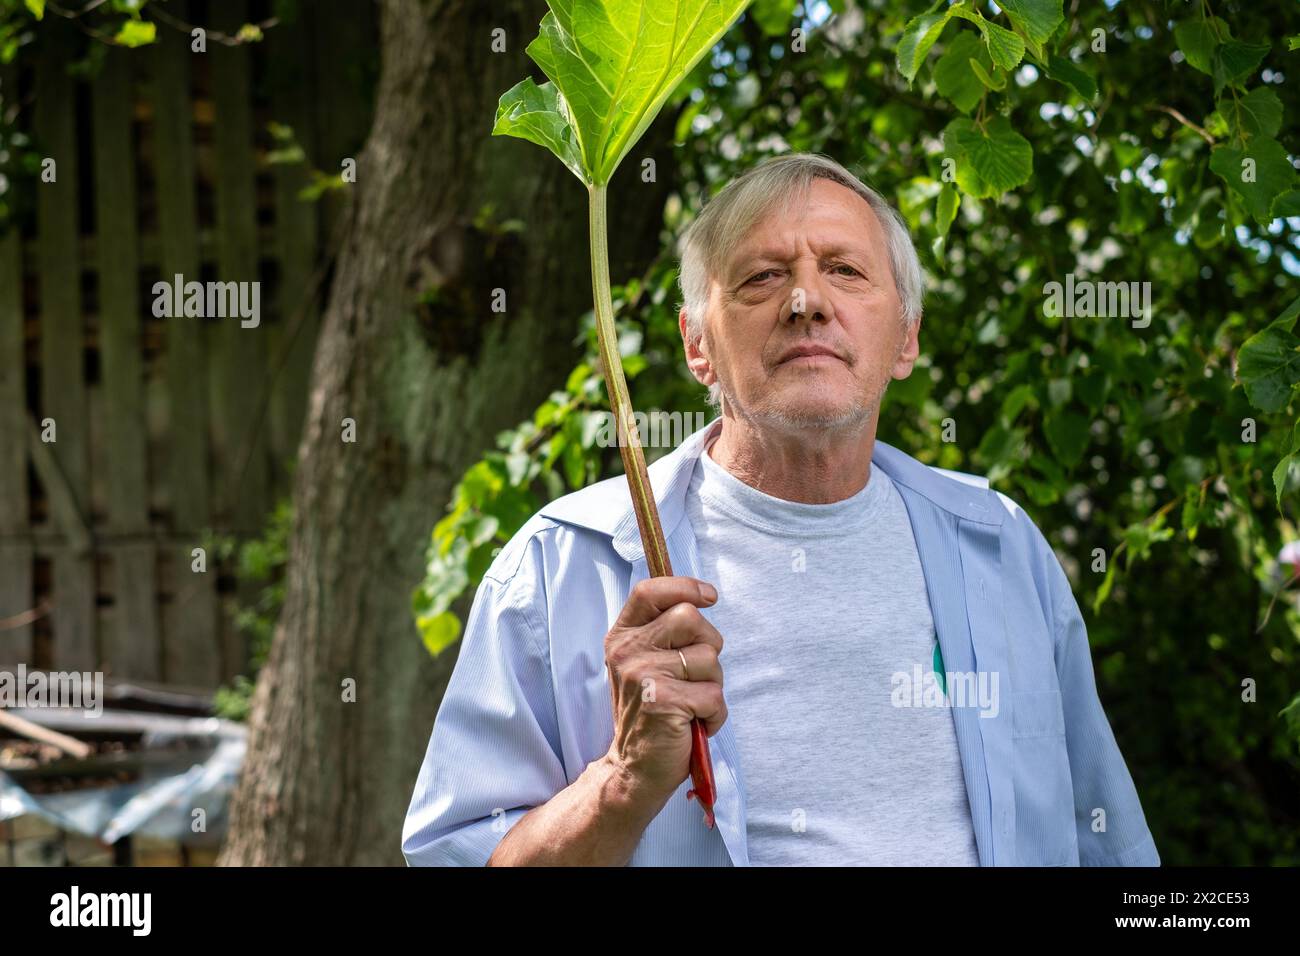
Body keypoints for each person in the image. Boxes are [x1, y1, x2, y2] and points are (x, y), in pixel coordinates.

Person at [401, 153, 1159, 867]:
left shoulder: (1002, 546)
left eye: (845, 270)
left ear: (906, 338)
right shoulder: (562, 564)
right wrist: (623, 780)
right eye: (762, 277)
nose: (806, 302)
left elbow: (1107, 840)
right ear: (698, 345)